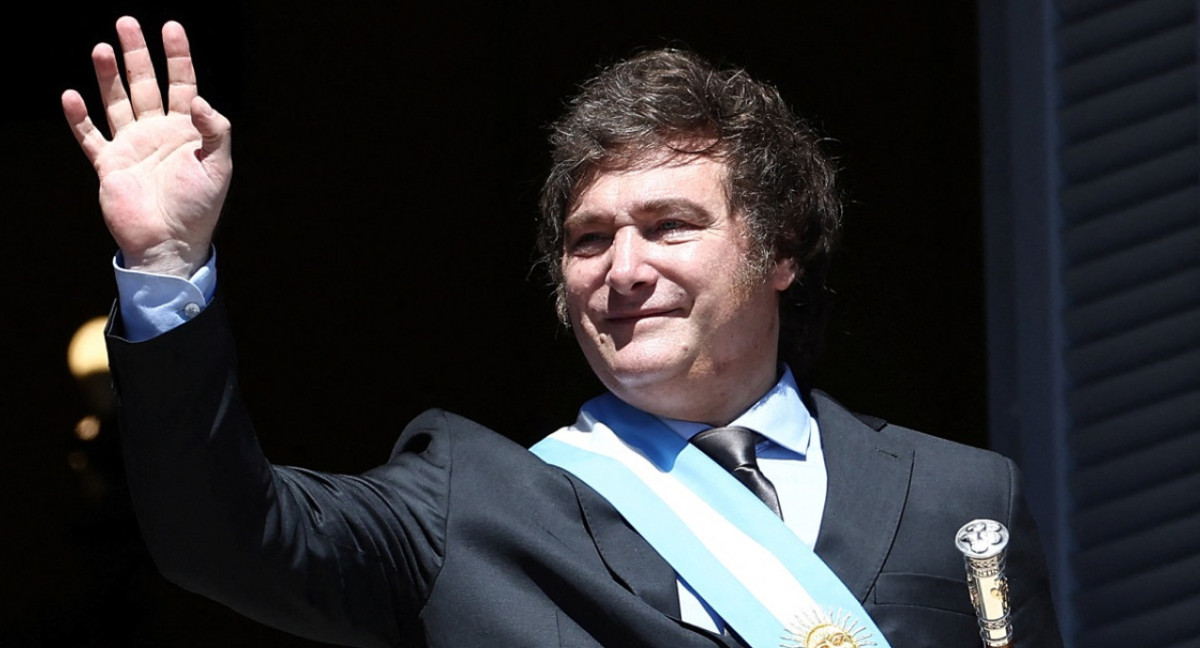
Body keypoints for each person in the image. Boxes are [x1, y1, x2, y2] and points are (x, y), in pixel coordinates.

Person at [63, 16, 1062, 648]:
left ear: (781, 252)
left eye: (670, 225)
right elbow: (219, 537)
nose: (623, 270)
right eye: (590, 241)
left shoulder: (960, 496)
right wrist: (165, 267)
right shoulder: (469, 506)